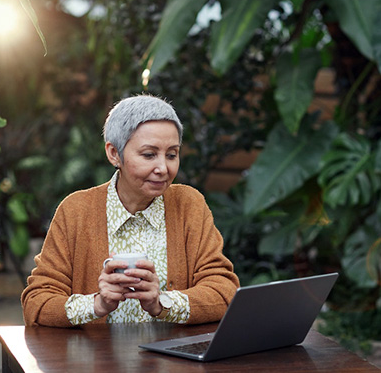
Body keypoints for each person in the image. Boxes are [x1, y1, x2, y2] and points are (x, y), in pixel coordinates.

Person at [21, 94, 239, 327]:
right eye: (148, 155)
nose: (163, 168)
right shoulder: (75, 211)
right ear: (114, 153)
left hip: (175, 361)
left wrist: (161, 304)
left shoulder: (188, 204)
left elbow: (224, 291)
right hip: (95, 362)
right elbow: (37, 302)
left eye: (172, 154)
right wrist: (98, 304)